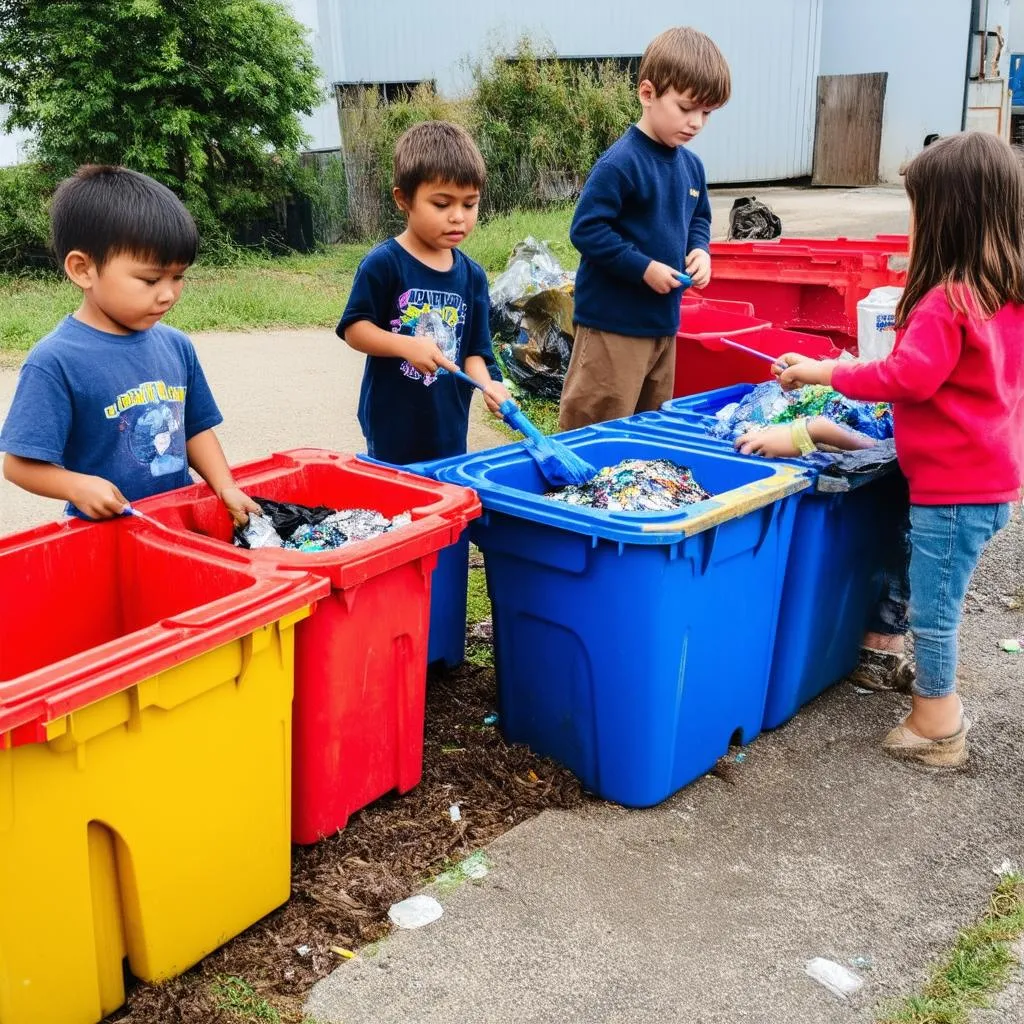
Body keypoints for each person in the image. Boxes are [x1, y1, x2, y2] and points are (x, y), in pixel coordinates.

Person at [776, 131, 1024, 768]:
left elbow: (904, 377)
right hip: (989, 484)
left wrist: (824, 370)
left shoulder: (947, 302)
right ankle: (929, 699)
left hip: (951, 492)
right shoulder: (1005, 298)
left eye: (915, 208)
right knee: (936, 592)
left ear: (946, 215)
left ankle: (936, 721)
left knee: (935, 611)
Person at [0, 165, 258, 524]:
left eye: (178, 277)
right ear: (82, 269)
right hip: (105, 535)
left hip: (176, 522)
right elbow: (18, 465)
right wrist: (76, 486)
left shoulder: (176, 346)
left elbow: (195, 428)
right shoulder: (56, 360)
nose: (168, 294)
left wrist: (225, 486)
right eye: (150, 279)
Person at [558, 26, 731, 431]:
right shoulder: (621, 163)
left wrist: (701, 249)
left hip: (662, 326)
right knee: (598, 423)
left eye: (706, 113)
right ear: (648, 94)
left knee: (649, 424)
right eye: (687, 107)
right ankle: (569, 494)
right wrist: (643, 268)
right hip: (613, 327)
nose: (696, 123)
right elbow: (586, 229)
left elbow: (699, 218)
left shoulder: (691, 167)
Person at [338, 120, 510, 466]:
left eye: (470, 204)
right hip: (393, 422)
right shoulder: (385, 264)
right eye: (442, 204)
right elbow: (355, 329)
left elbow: (475, 351)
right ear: (404, 199)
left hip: (448, 424)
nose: (458, 217)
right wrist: (407, 346)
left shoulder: (473, 276)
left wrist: (491, 386)